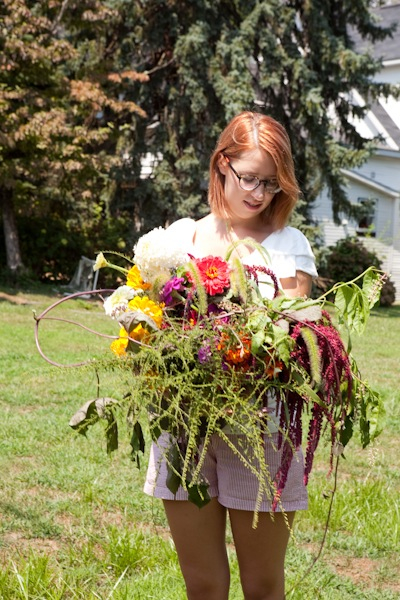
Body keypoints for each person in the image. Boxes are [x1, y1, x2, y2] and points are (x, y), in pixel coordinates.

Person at [144, 111, 318, 600]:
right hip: (183, 424)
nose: (259, 193)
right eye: (249, 178)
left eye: (271, 183)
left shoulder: (288, 246)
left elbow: (294, 338)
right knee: (202, 585)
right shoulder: (180, 240)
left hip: (260, 429)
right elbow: (154, 326)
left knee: (262, 586)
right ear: (222, 165)